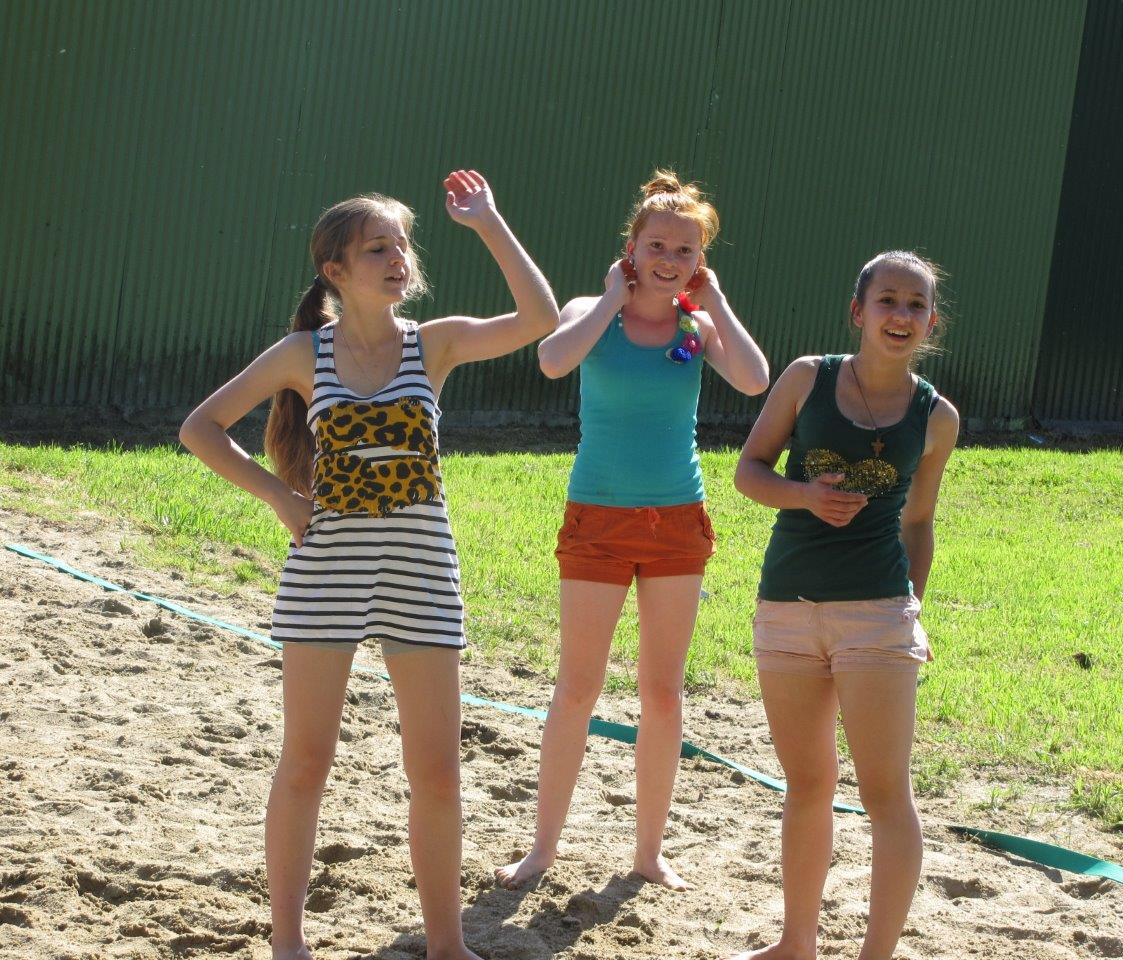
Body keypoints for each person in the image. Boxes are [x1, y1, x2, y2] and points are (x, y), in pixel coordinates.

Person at [179, 171, 557, 960]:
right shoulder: (302, 353)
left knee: (439, 773)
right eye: (377, 248)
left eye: (402, 245)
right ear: (335, 270)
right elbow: (201, 428)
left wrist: (488, 222)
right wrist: (279, 497)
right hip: (326, 577)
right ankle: (288, 942)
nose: (397, 259)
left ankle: (447, 944)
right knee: (306, 762)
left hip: (423, 576)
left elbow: (540, 320)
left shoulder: (434, 342)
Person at [495, 170, 770, 892]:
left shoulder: (696, 325)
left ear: (700, 259)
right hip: (598, 518)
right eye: (657, 245)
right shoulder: (592, 311)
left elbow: (754, 380)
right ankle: (542, 849)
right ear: (632, 246)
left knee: (663, 695)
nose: (669, 259)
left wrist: (716, 304)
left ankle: (649, 854)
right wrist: (612, 299)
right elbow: (553, 360)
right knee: (576, 689)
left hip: (677, 521)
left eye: (685, 249)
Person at [729, 251, 959, 960]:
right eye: (887, 300)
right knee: (806, 785)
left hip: (877, 615)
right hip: (787, 607)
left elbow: (918, 522)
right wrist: (804, 495)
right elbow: (748, 471)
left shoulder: (937, 416)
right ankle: (795, 943)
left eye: (916, 305)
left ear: (931, 323)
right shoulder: (808, 377)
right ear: (859, 311)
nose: (901, 315)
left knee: (886, 795)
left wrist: (908, 609)